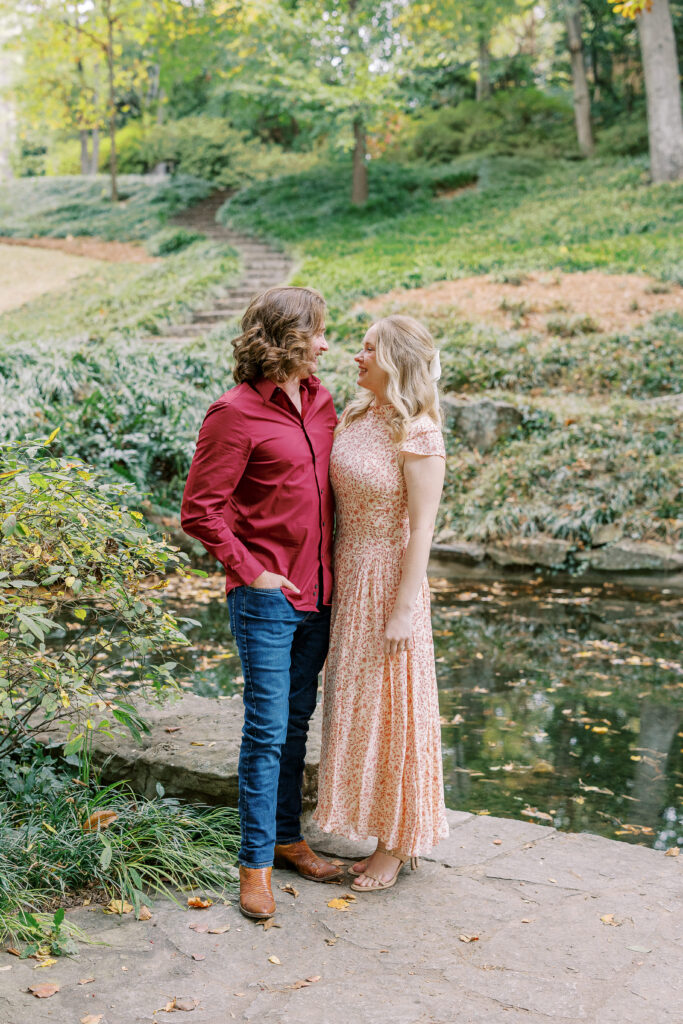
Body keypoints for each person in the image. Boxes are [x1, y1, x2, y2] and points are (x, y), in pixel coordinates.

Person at [181, 286, 343, 921]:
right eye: (317, 334)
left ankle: (287, 839)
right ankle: (253, 865)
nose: (326, 344)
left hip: (323, 595)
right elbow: (200, 511)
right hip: (268, 600)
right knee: (267, 729)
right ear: (284, 340)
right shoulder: (233, 413)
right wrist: (254, 572)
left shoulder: (327, 401)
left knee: (297, 726)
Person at [313, 314, 449, 892]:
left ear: (395, 359)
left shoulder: (419, 432)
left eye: (368, 348)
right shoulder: (358, 416)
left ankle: (397, 844)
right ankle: (373, 828)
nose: (355, 356)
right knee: (356, 705)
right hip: (349, 575)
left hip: (391, 579)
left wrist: (402, 609)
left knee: (395, 710)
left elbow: (422, 530)